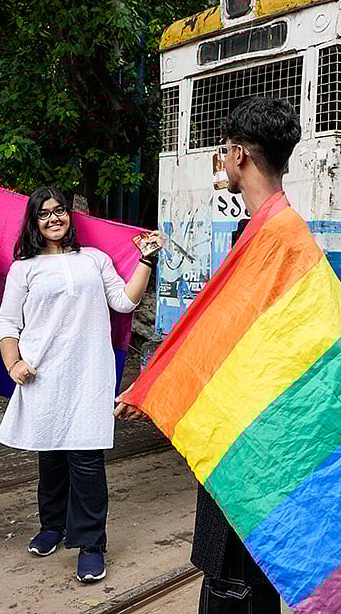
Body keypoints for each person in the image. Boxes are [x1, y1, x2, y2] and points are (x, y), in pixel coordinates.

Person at [118, 97, 301, 613]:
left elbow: (231, 340)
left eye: (224, 150)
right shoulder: (272, 229)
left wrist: (160, 388)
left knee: (233, 577)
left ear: (240, 154)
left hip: (250, 439)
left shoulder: (275, 235)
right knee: (235, 571)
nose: (221, 160)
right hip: (246, 430)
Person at [0, 186, 161, 583]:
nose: (54, 219)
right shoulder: (24, 268)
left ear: (70, 215)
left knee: (86, 462)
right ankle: (53, 525)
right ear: (34, 222)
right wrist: (13, 362)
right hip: (42, 374)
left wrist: (146, 260)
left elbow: (124, 302)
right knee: (50, 456)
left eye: (60, 211)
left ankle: (90, 544)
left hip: (89, 374)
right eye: (44, 213)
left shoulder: (95, 259)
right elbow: (7, 323)